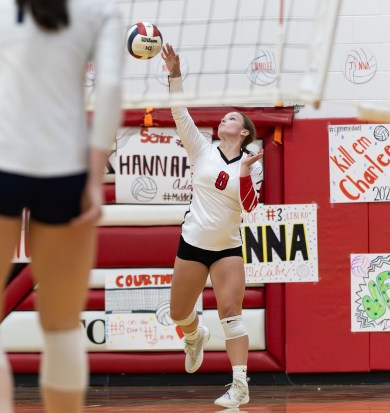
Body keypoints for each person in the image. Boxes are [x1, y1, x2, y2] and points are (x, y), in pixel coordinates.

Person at [0, 0, 122, 412]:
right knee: (62, 329)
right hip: (66, 170)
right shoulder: (101, 9)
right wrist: (94, 179)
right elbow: (110, 90)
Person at [161, 43, 263, 409]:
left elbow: (250, 207)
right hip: (193, 243)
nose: (225, 120)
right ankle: (194, 335)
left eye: (233, 119)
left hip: (227, 248)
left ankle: (240, 385)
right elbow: (179, 111)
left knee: (231, 313)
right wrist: (174, 74)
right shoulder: (202, 150)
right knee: (178, 313)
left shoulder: (250, 165)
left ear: (245, 133)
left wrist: (248, 173)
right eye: (224, 118)